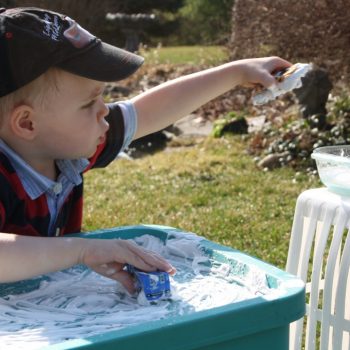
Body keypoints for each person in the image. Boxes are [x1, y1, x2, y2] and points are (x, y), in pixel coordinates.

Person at [0, 7, 291, 292]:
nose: (104, 111)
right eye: (89, 104)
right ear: (26, 124)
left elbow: (147, 111)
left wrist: (237, 73)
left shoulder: (66, 147)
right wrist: (80, 250)